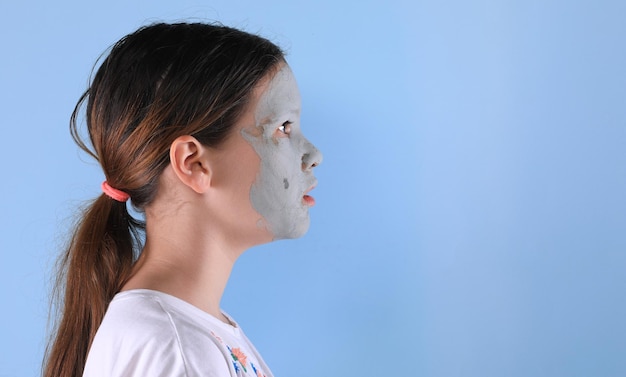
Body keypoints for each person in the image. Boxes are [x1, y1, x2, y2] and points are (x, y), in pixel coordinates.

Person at [43, 22, 322, 377]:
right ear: (194, 163)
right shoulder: (174, 348)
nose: (313, 154)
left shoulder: (190, 333)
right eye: (283, 128)